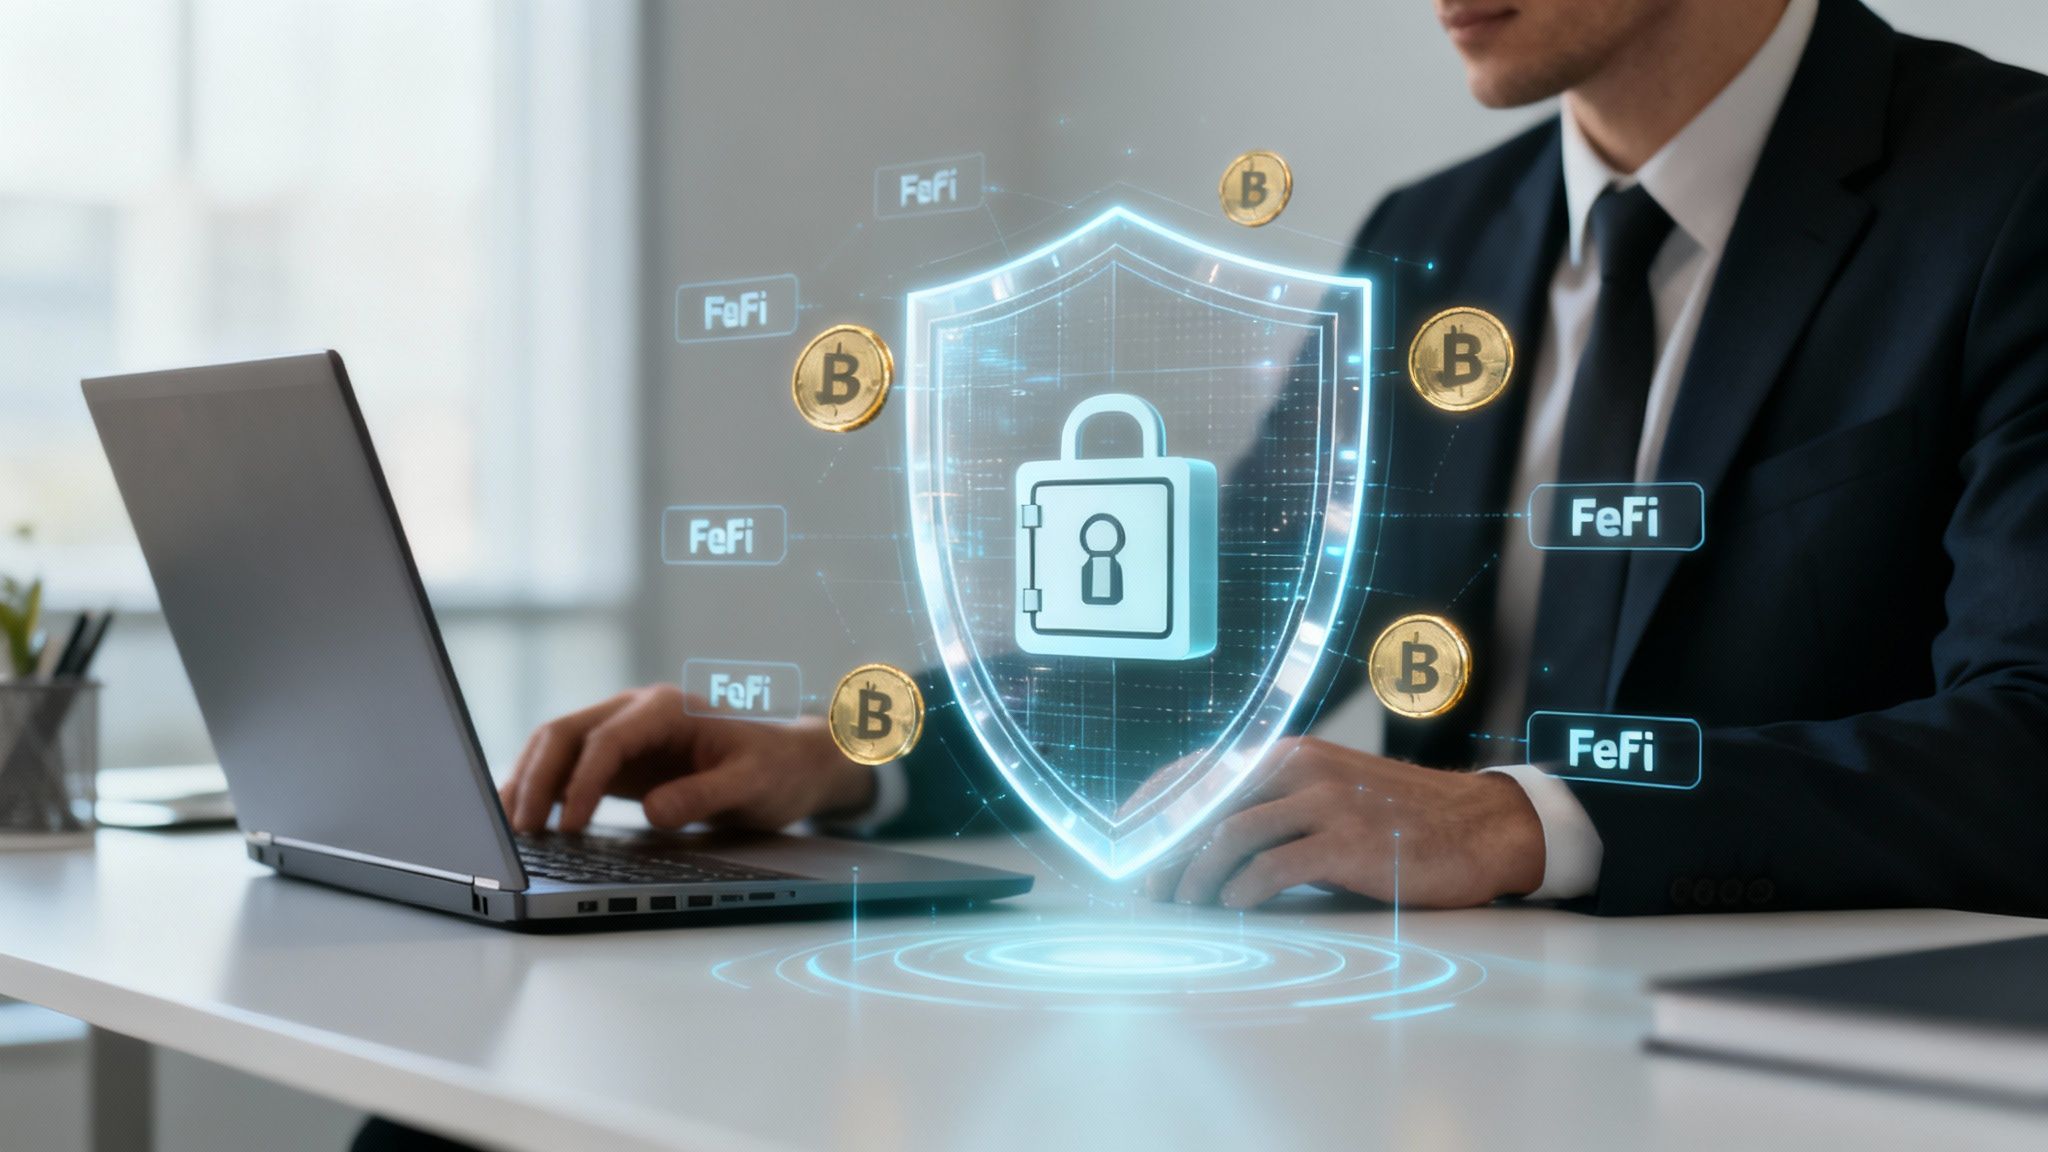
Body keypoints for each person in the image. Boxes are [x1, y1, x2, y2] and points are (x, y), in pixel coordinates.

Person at [502, 0, 2048, 918]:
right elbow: (1223, 650)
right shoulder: (1439, 236)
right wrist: (850, 759)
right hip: (1422, 1032)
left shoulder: (2007, 197)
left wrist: (1521, 817)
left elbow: (2028, 743)